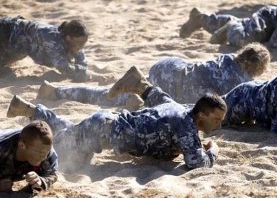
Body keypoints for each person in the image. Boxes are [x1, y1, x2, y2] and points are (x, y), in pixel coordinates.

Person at [7, 66, 227, 169]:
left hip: (105, 125)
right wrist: (213, 151)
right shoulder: (186, 125)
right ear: (201, 114)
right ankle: (31, 112)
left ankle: (28, 109)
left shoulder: (178, 109)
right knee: (59, 148)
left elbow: (157, 96)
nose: (219, 124)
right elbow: (195, 162)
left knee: (71, 132)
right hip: (102, 132)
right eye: (216, 119)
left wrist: (143, 87)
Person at [37, 43, 270, 106]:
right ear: (255, 68)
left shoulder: (227, 58)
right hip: (175, 89)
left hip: (167, 66)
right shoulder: (240, 80)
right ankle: (56, 91)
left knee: (109, 95)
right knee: (112, 99)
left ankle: (56, 91)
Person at [0, 16, 89, 81]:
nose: (82, 46)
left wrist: (82, 71)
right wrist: (81, 73)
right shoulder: (52, 40)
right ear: (68, 38)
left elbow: (82, 62)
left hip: (15, 44)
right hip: (6, 33)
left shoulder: (73, 42)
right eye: (80, 42)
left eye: (84, 42)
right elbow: (65, 68)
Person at [0, 121, 58, 193]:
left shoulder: (47, 151)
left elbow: (52, 175)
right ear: (22, 145)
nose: (43, 157)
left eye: (46, 152)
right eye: (39, 152)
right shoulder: (2, 147)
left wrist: (40, 181)